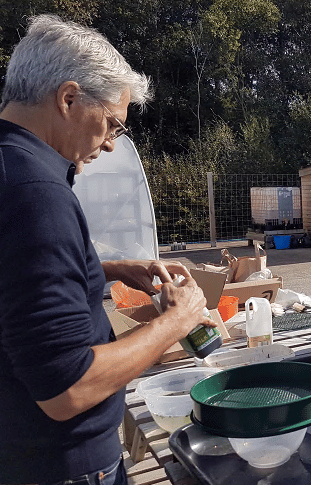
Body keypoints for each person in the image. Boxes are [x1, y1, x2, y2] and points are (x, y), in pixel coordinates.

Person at [0, 15, 217, 484]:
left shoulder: (10, 166)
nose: (113, 145)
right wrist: (174, 322)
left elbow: (18, 281)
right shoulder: (35, 193)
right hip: (62, 467)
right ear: (69, 98)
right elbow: (67, 388)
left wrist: (110, 269)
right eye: (114, 124)